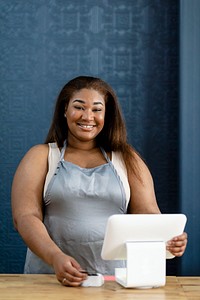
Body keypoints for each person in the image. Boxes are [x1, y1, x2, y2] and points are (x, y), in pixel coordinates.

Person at [11, 76, 187, 287]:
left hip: (114, 283)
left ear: (107, 115)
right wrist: (54, 257)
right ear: (64, 110)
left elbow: (148, 215)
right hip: (49, 279)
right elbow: (25, 217)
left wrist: (167, 239)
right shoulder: (40, 157)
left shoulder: (128, 159)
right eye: (79, 107)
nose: (88, 116)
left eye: (97, 109)